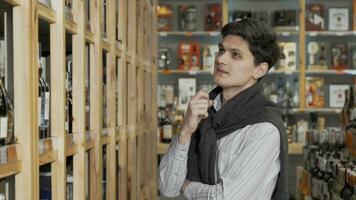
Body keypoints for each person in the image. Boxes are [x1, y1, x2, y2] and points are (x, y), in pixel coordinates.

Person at [159, 18, 287, 200]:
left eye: (235, 55)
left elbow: (225, 198)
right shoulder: (205, 113)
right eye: (221, 50)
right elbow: (167, 188)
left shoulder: (263, 129)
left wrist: (187, 187)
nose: (220, 59)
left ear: (259, 70)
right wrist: (185, 132)